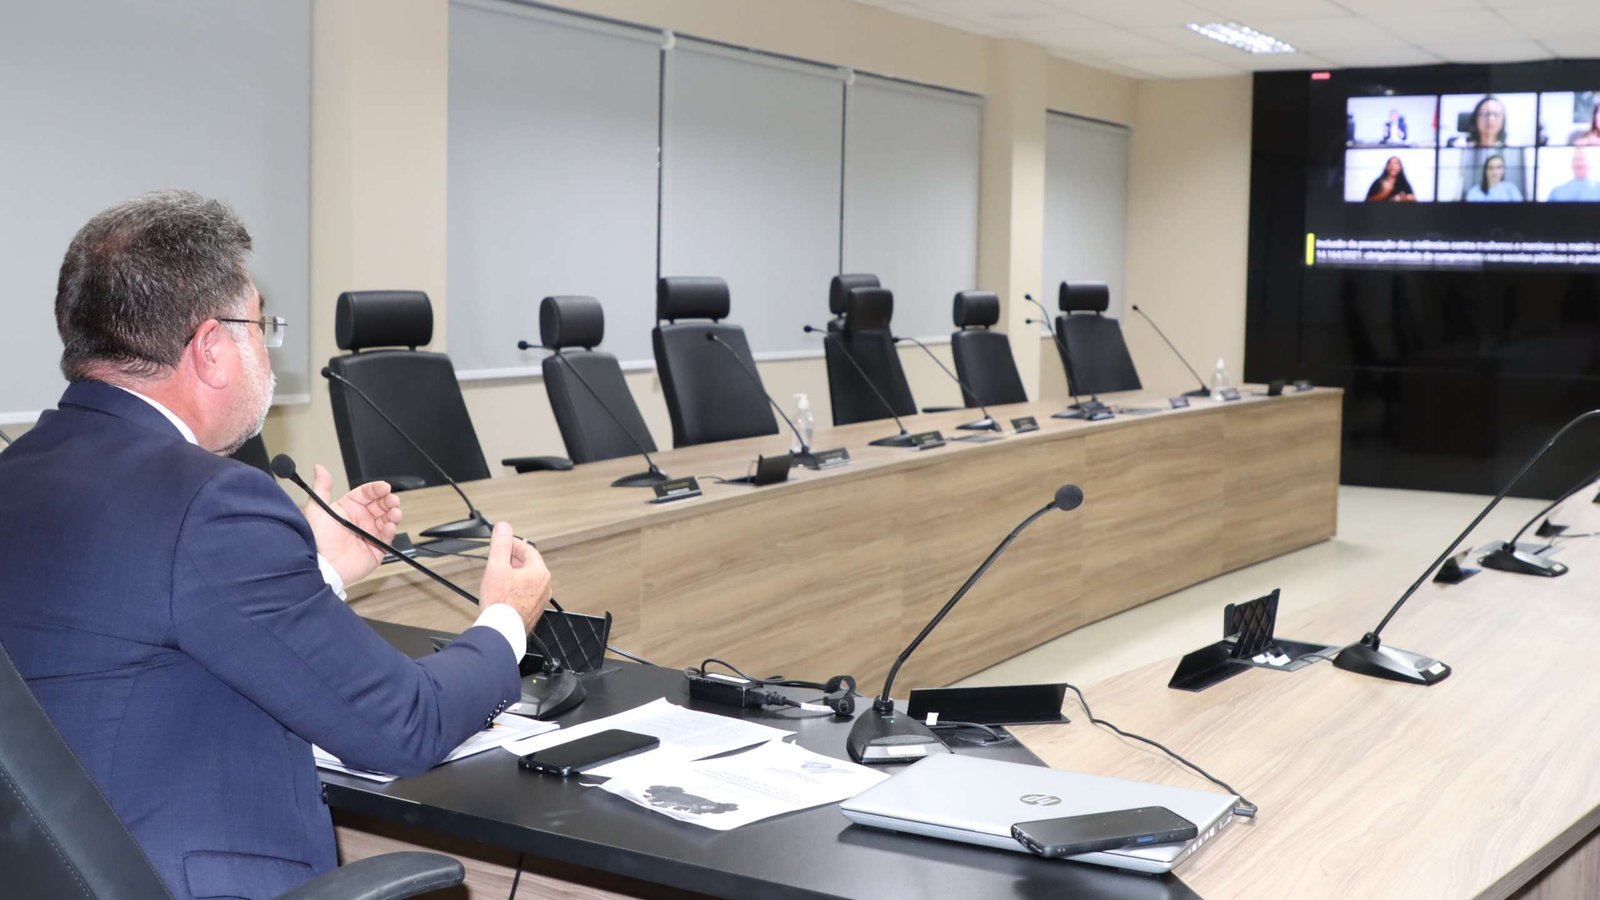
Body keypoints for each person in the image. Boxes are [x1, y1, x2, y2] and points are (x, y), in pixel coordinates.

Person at [0, 190, 552, 900]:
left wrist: (312, 568)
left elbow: (141, 631)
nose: (266, 349)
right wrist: (506, 620)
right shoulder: (209, 502)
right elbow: (402, 725)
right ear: (210, 349)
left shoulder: (19, 474)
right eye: (260, 325)